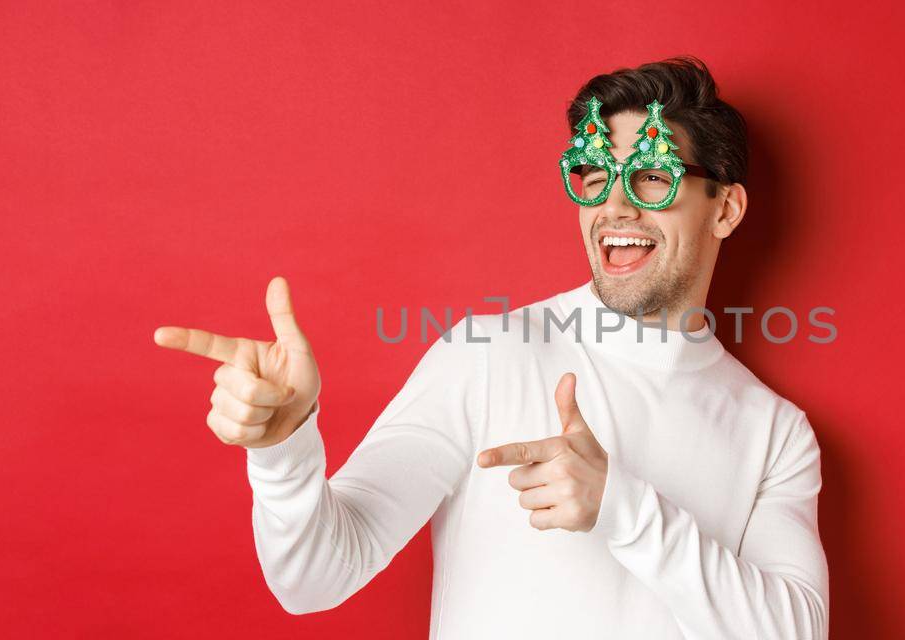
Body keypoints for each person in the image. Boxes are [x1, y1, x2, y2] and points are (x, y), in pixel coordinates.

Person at [153, 57, 828, 639]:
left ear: (726, 208)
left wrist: (621, 506)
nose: (614, 205)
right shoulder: (488, 353)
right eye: (593, 174)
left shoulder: (774, 432)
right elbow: (315, 578)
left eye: (653, 175)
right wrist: (283, 453)